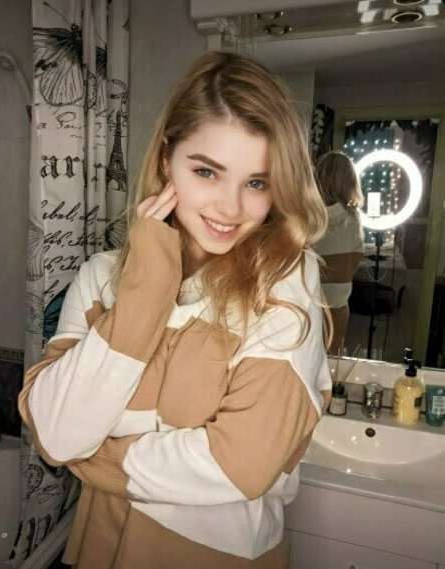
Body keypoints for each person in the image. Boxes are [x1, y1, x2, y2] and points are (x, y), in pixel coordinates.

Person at [19, 50, 332, 569]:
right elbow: (55, 432)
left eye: (257, 182)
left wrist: (97, 459)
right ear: (166, 160)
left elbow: (241, 464)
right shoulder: (101, 276)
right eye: (207, 172)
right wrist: (146, 290)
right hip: (102, 543)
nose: (230, 208)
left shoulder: (284, 281)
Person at [313, 150, 365, 355]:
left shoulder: (308, 218)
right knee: (333, 364)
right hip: (338, 307)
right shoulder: (353, 218)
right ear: (350, 182)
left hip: (309, 306)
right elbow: (355, 260)